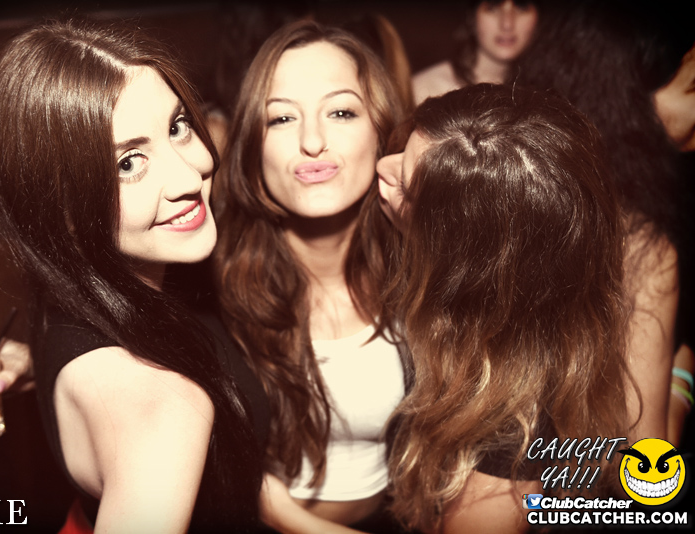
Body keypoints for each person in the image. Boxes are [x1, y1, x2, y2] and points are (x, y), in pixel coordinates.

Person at [0, 18, 264, 533]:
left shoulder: (77, 295)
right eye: (128, 163)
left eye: (178, 127)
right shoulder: (164, 409)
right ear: (61, 209)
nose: (190, 176)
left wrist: (45, 366)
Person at [377, 83, 631, 533]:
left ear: (464, 260)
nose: (382, 167)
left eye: (407, 188)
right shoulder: (514, 318)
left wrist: (283, 514)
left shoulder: (511, 438)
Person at [212, 20, 407, 532]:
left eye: (341, 112)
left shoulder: (423, 269)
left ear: (381, 130)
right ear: (252, 147)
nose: (312, 141)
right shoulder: (210, 287)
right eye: (281, 119)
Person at [517, 1, 688, 444]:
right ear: (625, 98)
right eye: (693, 88)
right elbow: (646, 459)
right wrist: (682, 379)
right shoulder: (641, 245)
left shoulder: (516, 196)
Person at [411, 0, 538, 105]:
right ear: (472, 16)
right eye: (492, 8)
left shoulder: (540, 92)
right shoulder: (425, 91)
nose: (507, 24)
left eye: (521, 7)